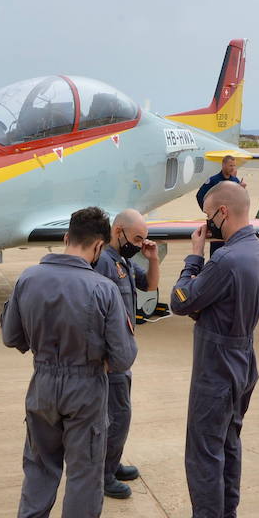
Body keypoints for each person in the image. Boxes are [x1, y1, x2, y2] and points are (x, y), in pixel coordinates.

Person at [1, 207, 138, 518]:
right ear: (98, 246)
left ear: (66, 238)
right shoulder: (103, 288)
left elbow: (11, 336)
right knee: (84, 472)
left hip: (42, 385)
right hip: (86, 388)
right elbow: (124, 357)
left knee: (40, 466)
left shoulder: (28, 279)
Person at [159, 181, 259, 518]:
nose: (207, 223)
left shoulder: (225, 261)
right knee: (229, 443)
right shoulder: (258, 253)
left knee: (204, 453)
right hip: (243, 359)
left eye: (208, 214)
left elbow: (179, 301)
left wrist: (193, 258)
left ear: (222, 212)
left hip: (217, 366)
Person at [92, 208, 160, 499]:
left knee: (119, 415)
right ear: (117, 231)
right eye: (136, 238)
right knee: (118, 416)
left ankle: (112, 462)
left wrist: (153, 258)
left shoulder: (122, 261)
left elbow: (151, 285)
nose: (139, 244)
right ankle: (105, 475)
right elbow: (95, 311)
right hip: (112, 358)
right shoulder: (104, 263)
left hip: (122, 354)